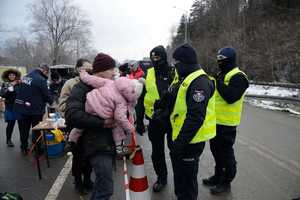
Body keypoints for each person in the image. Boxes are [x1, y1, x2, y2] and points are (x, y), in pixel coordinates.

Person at [65, 53, 117, 200]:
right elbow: (72, 114)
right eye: (111, 69)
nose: (114, 72)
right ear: (101, 70)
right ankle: (80, 183)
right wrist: (102, 122)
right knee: (106, 188)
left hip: (107, 142)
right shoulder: (81, 87)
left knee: (102, 185)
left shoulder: (111, 86)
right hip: (94, 143)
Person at [168, 44, 216, 200]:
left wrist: (179, 144)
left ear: (184, 63)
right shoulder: (187, 79)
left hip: (190, 142)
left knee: (187, 183)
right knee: (181, 179)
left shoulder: (199, 83)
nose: (175, 66)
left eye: (176, 62)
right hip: (183, 139)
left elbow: (195, 118)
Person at [202, 47, 249, 194]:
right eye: (218, 60)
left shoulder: (239, 76)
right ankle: (217, 176)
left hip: (227, 124)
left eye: (222, 60)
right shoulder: (221, 74)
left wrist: (216, 82)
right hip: (215, 121)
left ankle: (226, 182)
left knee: (225, 153)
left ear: (230, 60)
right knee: (216, 151)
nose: (219, 62)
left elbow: (231, 96)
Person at [68, 70, 144, 155]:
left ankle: (71, 139)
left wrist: (84, 74)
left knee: (80, 127)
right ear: (134, 95)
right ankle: (119, 146)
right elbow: (120, 118)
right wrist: (131, 128)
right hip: (102, 114)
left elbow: (92, 80)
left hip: (89, 103)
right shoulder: (122, 102)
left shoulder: (110, 83)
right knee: (116, 125)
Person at [136, 45, 176, 192]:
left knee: (176, 152)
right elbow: (141, 99)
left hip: (172, 120)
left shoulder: (174, 72)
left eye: (157, 57)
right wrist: (139, 121)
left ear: (164, 57)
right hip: (155, 120)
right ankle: (162, 178)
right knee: (157, 153)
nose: (154, 60)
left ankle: (179, 180)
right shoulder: (149, 73)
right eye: (152, 57)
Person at [58, 58, 93, 194]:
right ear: (78, 69)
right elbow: (62, 104)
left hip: (90, 124)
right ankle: (78, 182)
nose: (89, 71)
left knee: (90, 154)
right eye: (86, 68)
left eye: (91, 68)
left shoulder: (93, 82)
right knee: (78, 156)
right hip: (75, 125)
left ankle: (88, 180)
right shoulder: (70, 83)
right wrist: (76, 112)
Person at [14, 64, 53, 155]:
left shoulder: (25, 77)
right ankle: (37, 149)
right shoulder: (41, 79)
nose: (47, 75)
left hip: (22, 108)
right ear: (45, 71)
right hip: (35, 110)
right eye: (47, 73)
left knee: (24, 130)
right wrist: (52, 102)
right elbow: (46, 95)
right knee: (36, 130)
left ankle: (24, 148)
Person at [0, 69, 21, 147]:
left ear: (15, 76)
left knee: (21, 125)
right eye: (10, 75)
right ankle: (8, 140)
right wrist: (9, 88)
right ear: (8, 76)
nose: (12, 76)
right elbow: (2, 94)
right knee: (10, 125)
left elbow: (21, 93)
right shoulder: (5, 84)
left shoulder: (19, 84)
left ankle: (23, 140)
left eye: (13, 75)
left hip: (19, 107)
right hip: (10, 107)